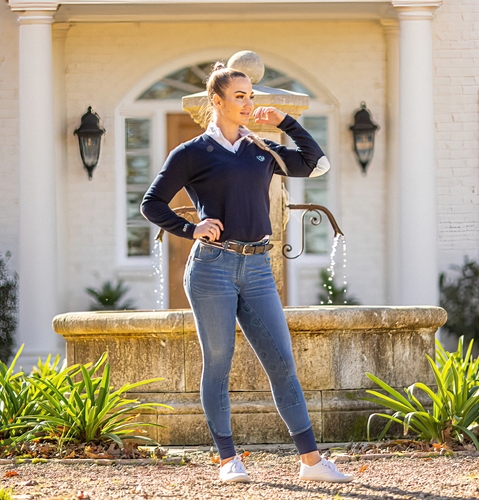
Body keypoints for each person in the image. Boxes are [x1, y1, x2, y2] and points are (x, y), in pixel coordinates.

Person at [141, 62, 353, 484]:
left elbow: (319, 164)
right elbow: (152, 203)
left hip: (257, 268)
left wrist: (284, 121)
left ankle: (311, 463)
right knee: (218, 364)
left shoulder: (261, 149)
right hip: (212, 269)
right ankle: (227, 460)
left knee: (283, 364)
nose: (249, 103)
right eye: (240, 96)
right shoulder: (191, 153)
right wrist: (191, 228)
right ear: (216, 101)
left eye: (252, 95)